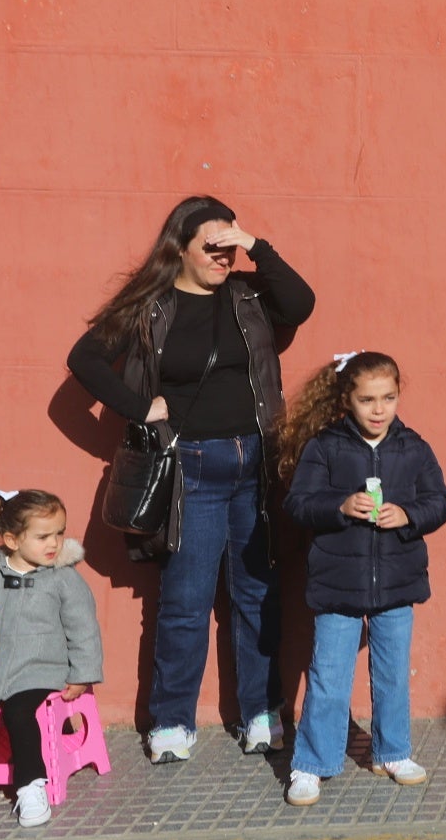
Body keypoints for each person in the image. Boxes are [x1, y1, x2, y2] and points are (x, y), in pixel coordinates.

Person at [66, 195, 314, 764]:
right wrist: (139, 407)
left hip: (255, 462)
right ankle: (173, 721)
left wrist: (255, 246)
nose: (224, 258)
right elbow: (85, 359)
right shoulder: (150, 305)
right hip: (190, 466)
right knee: (185, 598)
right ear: (180, 247)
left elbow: (300, 304)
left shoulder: (247, 295)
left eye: (230, 247)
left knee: (257, 594)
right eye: (212, 247)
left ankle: (261, 712)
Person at [277, 351, 446, 807]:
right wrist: (339, 506)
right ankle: (311, 764)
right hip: (338, 585)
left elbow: (440, 501)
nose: (379, 410)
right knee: (329, 678)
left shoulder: (413, 447)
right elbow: (298, 503)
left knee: (392, 674)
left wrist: (408, 514)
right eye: (367, 400)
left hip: (397, 583)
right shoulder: (325, 447)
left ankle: (392, 752)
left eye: (388, 398)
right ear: (346, 401)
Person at [0, 490, 104, 827]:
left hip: (39, 671)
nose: (54, 543)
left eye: (59, 533)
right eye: (43, 536)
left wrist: (82, 673)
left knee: (19, 713)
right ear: (12, 540)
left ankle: (31, 785)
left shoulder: (63, 578)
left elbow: (84, 628)